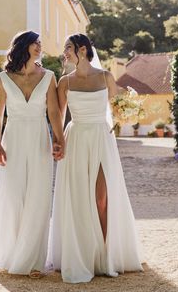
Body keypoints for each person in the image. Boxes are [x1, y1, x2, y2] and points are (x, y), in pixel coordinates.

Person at [50, 33, 143, 283]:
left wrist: (129, 110)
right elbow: (58, 116)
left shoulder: (105, 77)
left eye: (68, 48)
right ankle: (84, 255)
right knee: (79, 199)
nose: (64, 53)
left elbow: (117, 109)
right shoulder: (65, 82)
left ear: (82, 50)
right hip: (77, 138)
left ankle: (104, 255)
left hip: (101, 138)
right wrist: (58, 143)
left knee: (101, 198)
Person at [0, 31, 65, 278]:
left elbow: (54, 113)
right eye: (36, 43)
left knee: (38, 196)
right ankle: (12, 254)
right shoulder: (3, 78)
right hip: (13, 140)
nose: (40, 47)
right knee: (13, 195)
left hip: (40, 139)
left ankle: (33, 261)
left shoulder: (49, 76)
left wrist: (59, 140)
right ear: (23, 46)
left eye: (40, 44)